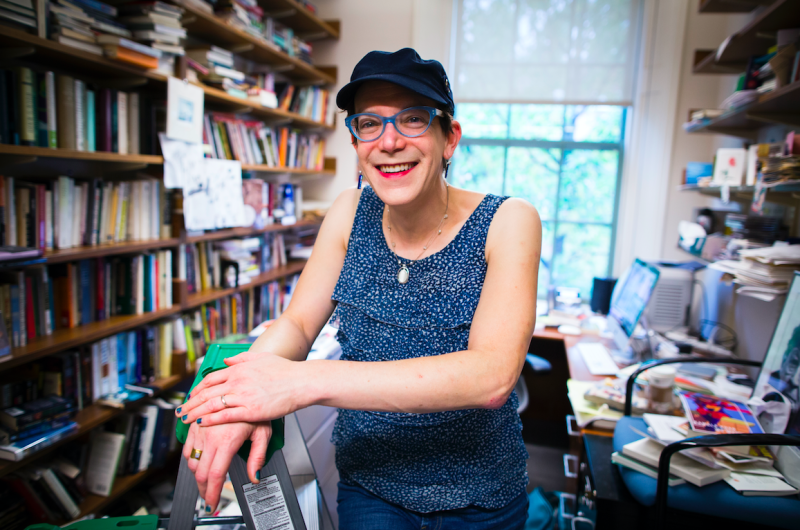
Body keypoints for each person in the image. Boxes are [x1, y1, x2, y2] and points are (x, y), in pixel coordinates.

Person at [176, 48, 542, 529]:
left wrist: (299, 383)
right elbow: (298, 322)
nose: (389, 142)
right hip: (371, 486)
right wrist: (239, 399)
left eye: (412, 119)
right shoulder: (349, 211)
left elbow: (491, 377)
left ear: (449, 137)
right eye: (369, 124)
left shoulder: (508, 220)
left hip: (481, 498)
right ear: (355, 142)